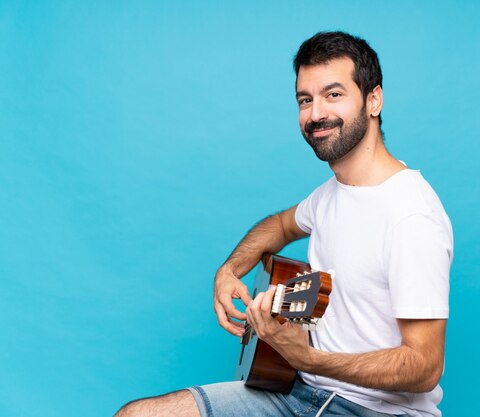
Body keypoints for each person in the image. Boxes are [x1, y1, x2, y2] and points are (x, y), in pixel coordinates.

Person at [115, 31, 453, 417]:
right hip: (298, 394)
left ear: (373, 100)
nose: (316, 113)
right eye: (305, 100)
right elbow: (278, 226)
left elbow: (424, 367)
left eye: (334, 95)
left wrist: (307, 358)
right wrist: (228, 271)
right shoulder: (331, 195)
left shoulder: (411, 215)